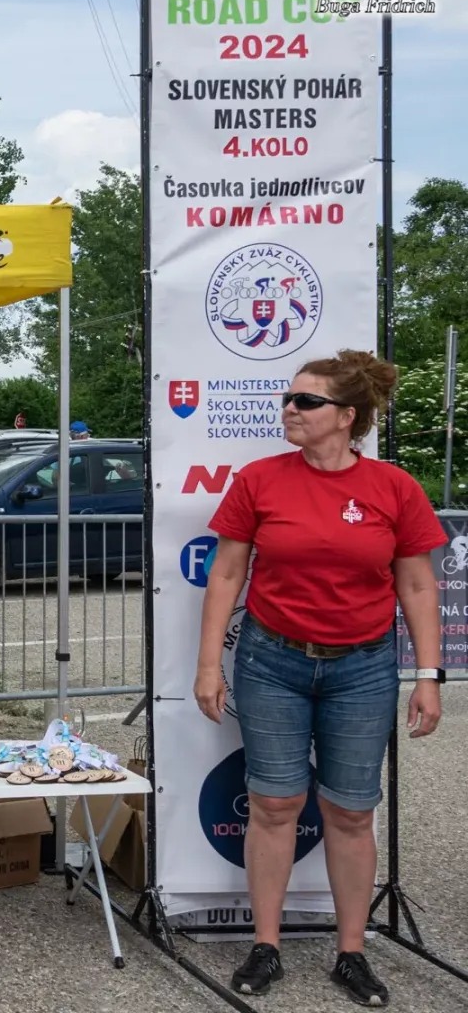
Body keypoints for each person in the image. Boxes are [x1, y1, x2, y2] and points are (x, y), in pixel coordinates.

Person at [194, 349, 446, 1005]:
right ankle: (266, 946)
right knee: (275, 804)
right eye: (288, 398)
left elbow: (418, 585)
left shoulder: (395, 488)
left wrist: (428, 675)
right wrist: (208, 665)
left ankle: (352, 953)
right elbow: (227, 574)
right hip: (270, 662)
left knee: (352, 811)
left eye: (306, 401)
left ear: (346, 416)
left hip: (363, 669)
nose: (290, 409)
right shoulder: (259, 480)